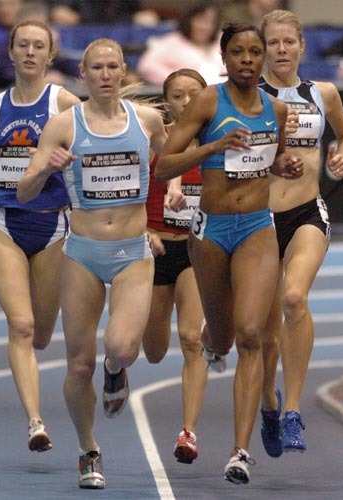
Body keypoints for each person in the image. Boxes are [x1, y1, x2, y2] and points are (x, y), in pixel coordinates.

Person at [156, 22, 303, 485]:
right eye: (237, 52)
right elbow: (164, 167)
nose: (247, 59)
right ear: (225, 58)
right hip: (211, 230)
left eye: (254, 52)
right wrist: (214, 146)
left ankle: (240, 452)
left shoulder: (275, 110)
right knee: (218, 340)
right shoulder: (207, 102)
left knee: (252, 335)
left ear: (262, 60)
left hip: (257, 227)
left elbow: (273, 159)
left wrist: (286, 163)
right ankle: (212, 337)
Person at [16, 38, 166, 489]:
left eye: (111, 66)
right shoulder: (63, 125)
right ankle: (88, 450)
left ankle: (116, 370)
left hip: (131, 253)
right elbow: (23, 192)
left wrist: (174, 191)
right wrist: (45, 169)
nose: (104, 74)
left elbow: (175, 161)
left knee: (120, 347)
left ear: (124, 72)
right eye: (95, 67)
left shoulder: (148, 120)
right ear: (82, 74)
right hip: (80, 253)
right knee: (78, 365)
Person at [0, 20, 80, 452]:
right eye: (22, 44)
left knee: (42, 333)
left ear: (50, 55)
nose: (29, 52)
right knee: (21, 326)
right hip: (5, 222)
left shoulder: (63, 103)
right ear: (9, 52)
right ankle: (35, 421)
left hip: (52, 226)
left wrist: (66, 162)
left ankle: (36, 406)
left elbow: (89, 150)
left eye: (38, 46)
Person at [256, 9, 343, 458]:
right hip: (257, 219)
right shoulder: (246, 96)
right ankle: (267, 403)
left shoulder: (322, 93)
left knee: (295, 298)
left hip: (306, 213)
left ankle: (293, 409)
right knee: (261, 331)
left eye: (287, 42)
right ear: (262, 49)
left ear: (301, 46)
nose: (281, 50)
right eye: (272, 43)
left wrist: (342, 156)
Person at [142, 68, 210, 465]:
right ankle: (117, 362)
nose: (186, 102)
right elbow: (127, 195)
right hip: (154, 251)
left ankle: (188, 432)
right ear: (166, 102)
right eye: (178, 96)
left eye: (193, 94)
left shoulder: (215, 144)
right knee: (152, 350)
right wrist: (143, 230)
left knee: (191, 339)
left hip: (195, 252)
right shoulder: (152, 142)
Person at [137, 2, 225, 86]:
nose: (206, 27)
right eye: (200, 20)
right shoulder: (171, 42)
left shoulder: (224, 40)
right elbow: (146, 66)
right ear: (189, 20)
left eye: (212, 22)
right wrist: (179, 80)